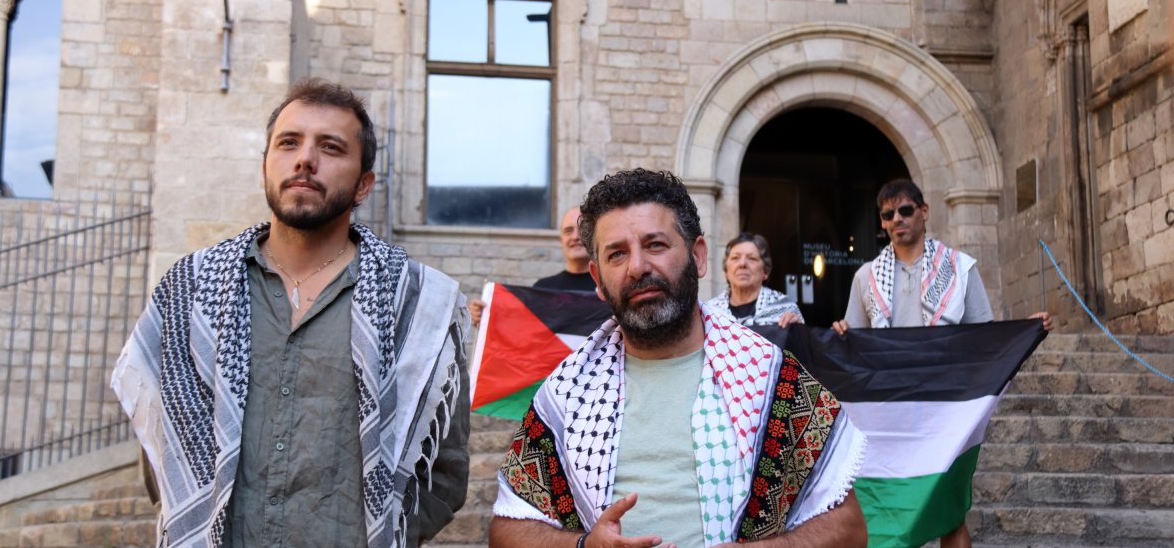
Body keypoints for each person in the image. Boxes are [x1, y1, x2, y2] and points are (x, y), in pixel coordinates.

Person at [112, 78, 470, 547]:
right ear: (266, 165)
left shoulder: (418, 304)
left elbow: (443, 472)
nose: (305, 159)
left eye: (331, 147)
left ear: (364, 184)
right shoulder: (191, 291)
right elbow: (163, 444)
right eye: (288, 143)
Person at [489, 169, 868, 548]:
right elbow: (506, 532)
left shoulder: (774, 380)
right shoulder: (565, 396)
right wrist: (584, 546)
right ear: (598, 279)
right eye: (617, 253)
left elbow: (849, 531)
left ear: (698, 256)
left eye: (655, 244)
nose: (637, 267)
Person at [831, 178, 1051, 548]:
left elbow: (983, 335)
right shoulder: (865, 277)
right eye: (888, 215)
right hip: (890, 409)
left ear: (924, 212)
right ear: (882, 223)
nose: (897, 219)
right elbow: (854, 340)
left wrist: (1024, 331)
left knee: (950, 513)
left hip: (943, 407)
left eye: (905, 210)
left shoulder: (960, 268)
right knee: (890, 509)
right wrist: (840, 331)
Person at [469, 205, 596, 323]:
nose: (575, 236)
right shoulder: (542, 289)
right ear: (561, 240)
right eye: (568, 231)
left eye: (582, 229)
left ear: (594, 236)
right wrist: (486, 318)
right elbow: (522, 333)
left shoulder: (608, 286)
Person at [704, 232, 803, 328]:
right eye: (735, 258)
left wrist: (796, 329)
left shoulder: (784, 308)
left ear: (766, 272)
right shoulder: (709, 311)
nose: (742, 264)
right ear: (726, 272)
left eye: (752, 258)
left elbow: (800, 343)